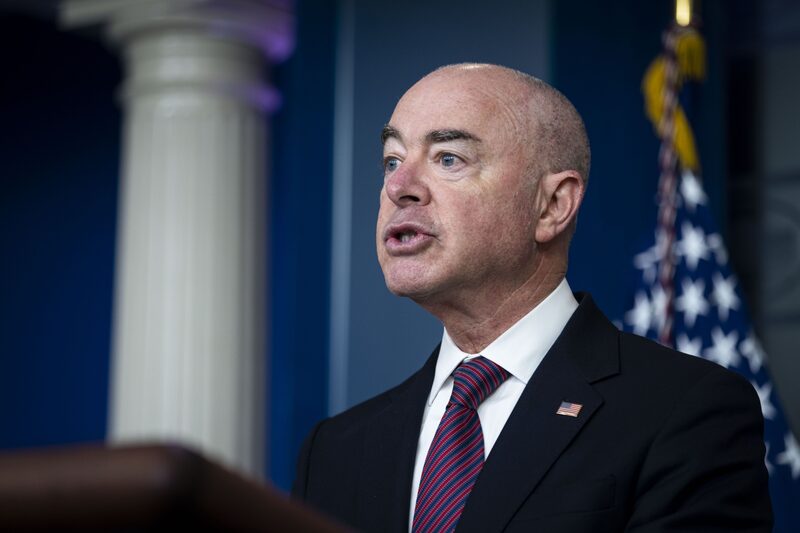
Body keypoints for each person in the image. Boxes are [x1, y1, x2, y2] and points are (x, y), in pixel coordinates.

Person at [292, 63, 771, 532]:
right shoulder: (334, 450)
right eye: (392, 161)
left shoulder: (686, 411)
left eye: (448, 159)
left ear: (552, 205)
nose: (399, 187)